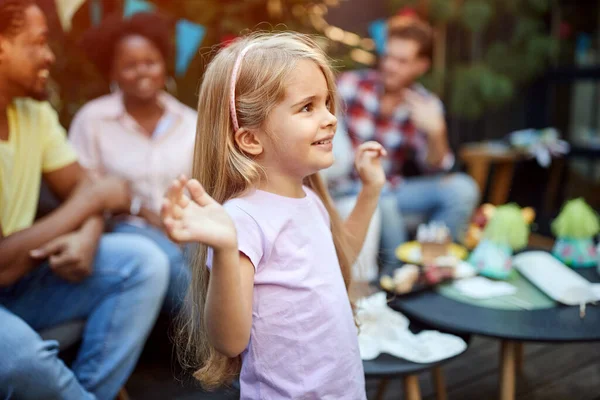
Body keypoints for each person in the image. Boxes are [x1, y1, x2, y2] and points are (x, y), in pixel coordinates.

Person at [161, 32, 386, 399]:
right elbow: (230, 340)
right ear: (251, 139)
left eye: (327, 103)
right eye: (307, 107)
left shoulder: (308, 199)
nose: (331, 118)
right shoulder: (243, 219)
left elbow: (341, 259)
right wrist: (225, 246)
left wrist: (370, 190)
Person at [0, 1, 169, 399]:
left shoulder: (32, 114)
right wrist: (89, 204)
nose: (50, 55)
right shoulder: (91, 117)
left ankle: (91, 391)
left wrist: (88, 234)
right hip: (11, 275)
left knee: (144, 261)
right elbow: (94, 193)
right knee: (24, 363)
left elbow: (89, 188)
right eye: (39, 43)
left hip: (23, 284)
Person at [329, 15, 479, 272]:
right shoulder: (349, 86)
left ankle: (434, 267)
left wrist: (436, 133)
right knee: (382, 199)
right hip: (348, 187)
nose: (390, 66)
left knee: (463, 188)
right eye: (388, 56)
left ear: (421, 65)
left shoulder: (423, 105)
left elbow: (436, 169)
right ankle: (398, 279)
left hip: (393, 188)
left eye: (402, 61)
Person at [69, 12, 196, 312]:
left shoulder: (191, 122)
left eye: (150, 62)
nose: (142, 72)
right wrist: (144, 213)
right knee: (173, 265)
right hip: (123, 228)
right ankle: (215, 353)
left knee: (217, 261)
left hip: (186, 226)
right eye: (129, 65)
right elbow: (80, 191)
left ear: (164, 64)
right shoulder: (92, 120)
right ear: (111, 72)